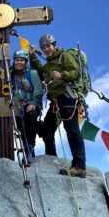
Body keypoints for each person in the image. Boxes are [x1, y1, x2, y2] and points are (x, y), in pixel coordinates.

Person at [30, 33, 87, 178]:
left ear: (54, 45)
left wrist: (62, 75)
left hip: (67, 98)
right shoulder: (49, 64)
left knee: (72, 130)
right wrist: (32, 56)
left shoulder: (64, 57)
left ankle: (79, 166)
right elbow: (41, 69)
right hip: (56, 102)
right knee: (47, 130)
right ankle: (51, 158)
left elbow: (75, 73)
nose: (46, 49)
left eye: (48, 46)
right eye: (44, 48)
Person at [0, 49, 44, 165]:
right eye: (17, 60)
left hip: (31, 103)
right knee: (20, 126)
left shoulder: (32, 74)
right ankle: (27, 150)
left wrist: (34, 103)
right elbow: (1, 91)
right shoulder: (10, 75)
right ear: (14, 61)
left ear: (25, 62)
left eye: (21, 60)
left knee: (30, 117)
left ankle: (29, 148)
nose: (19, 62)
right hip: (17, 105)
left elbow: (38, 90)